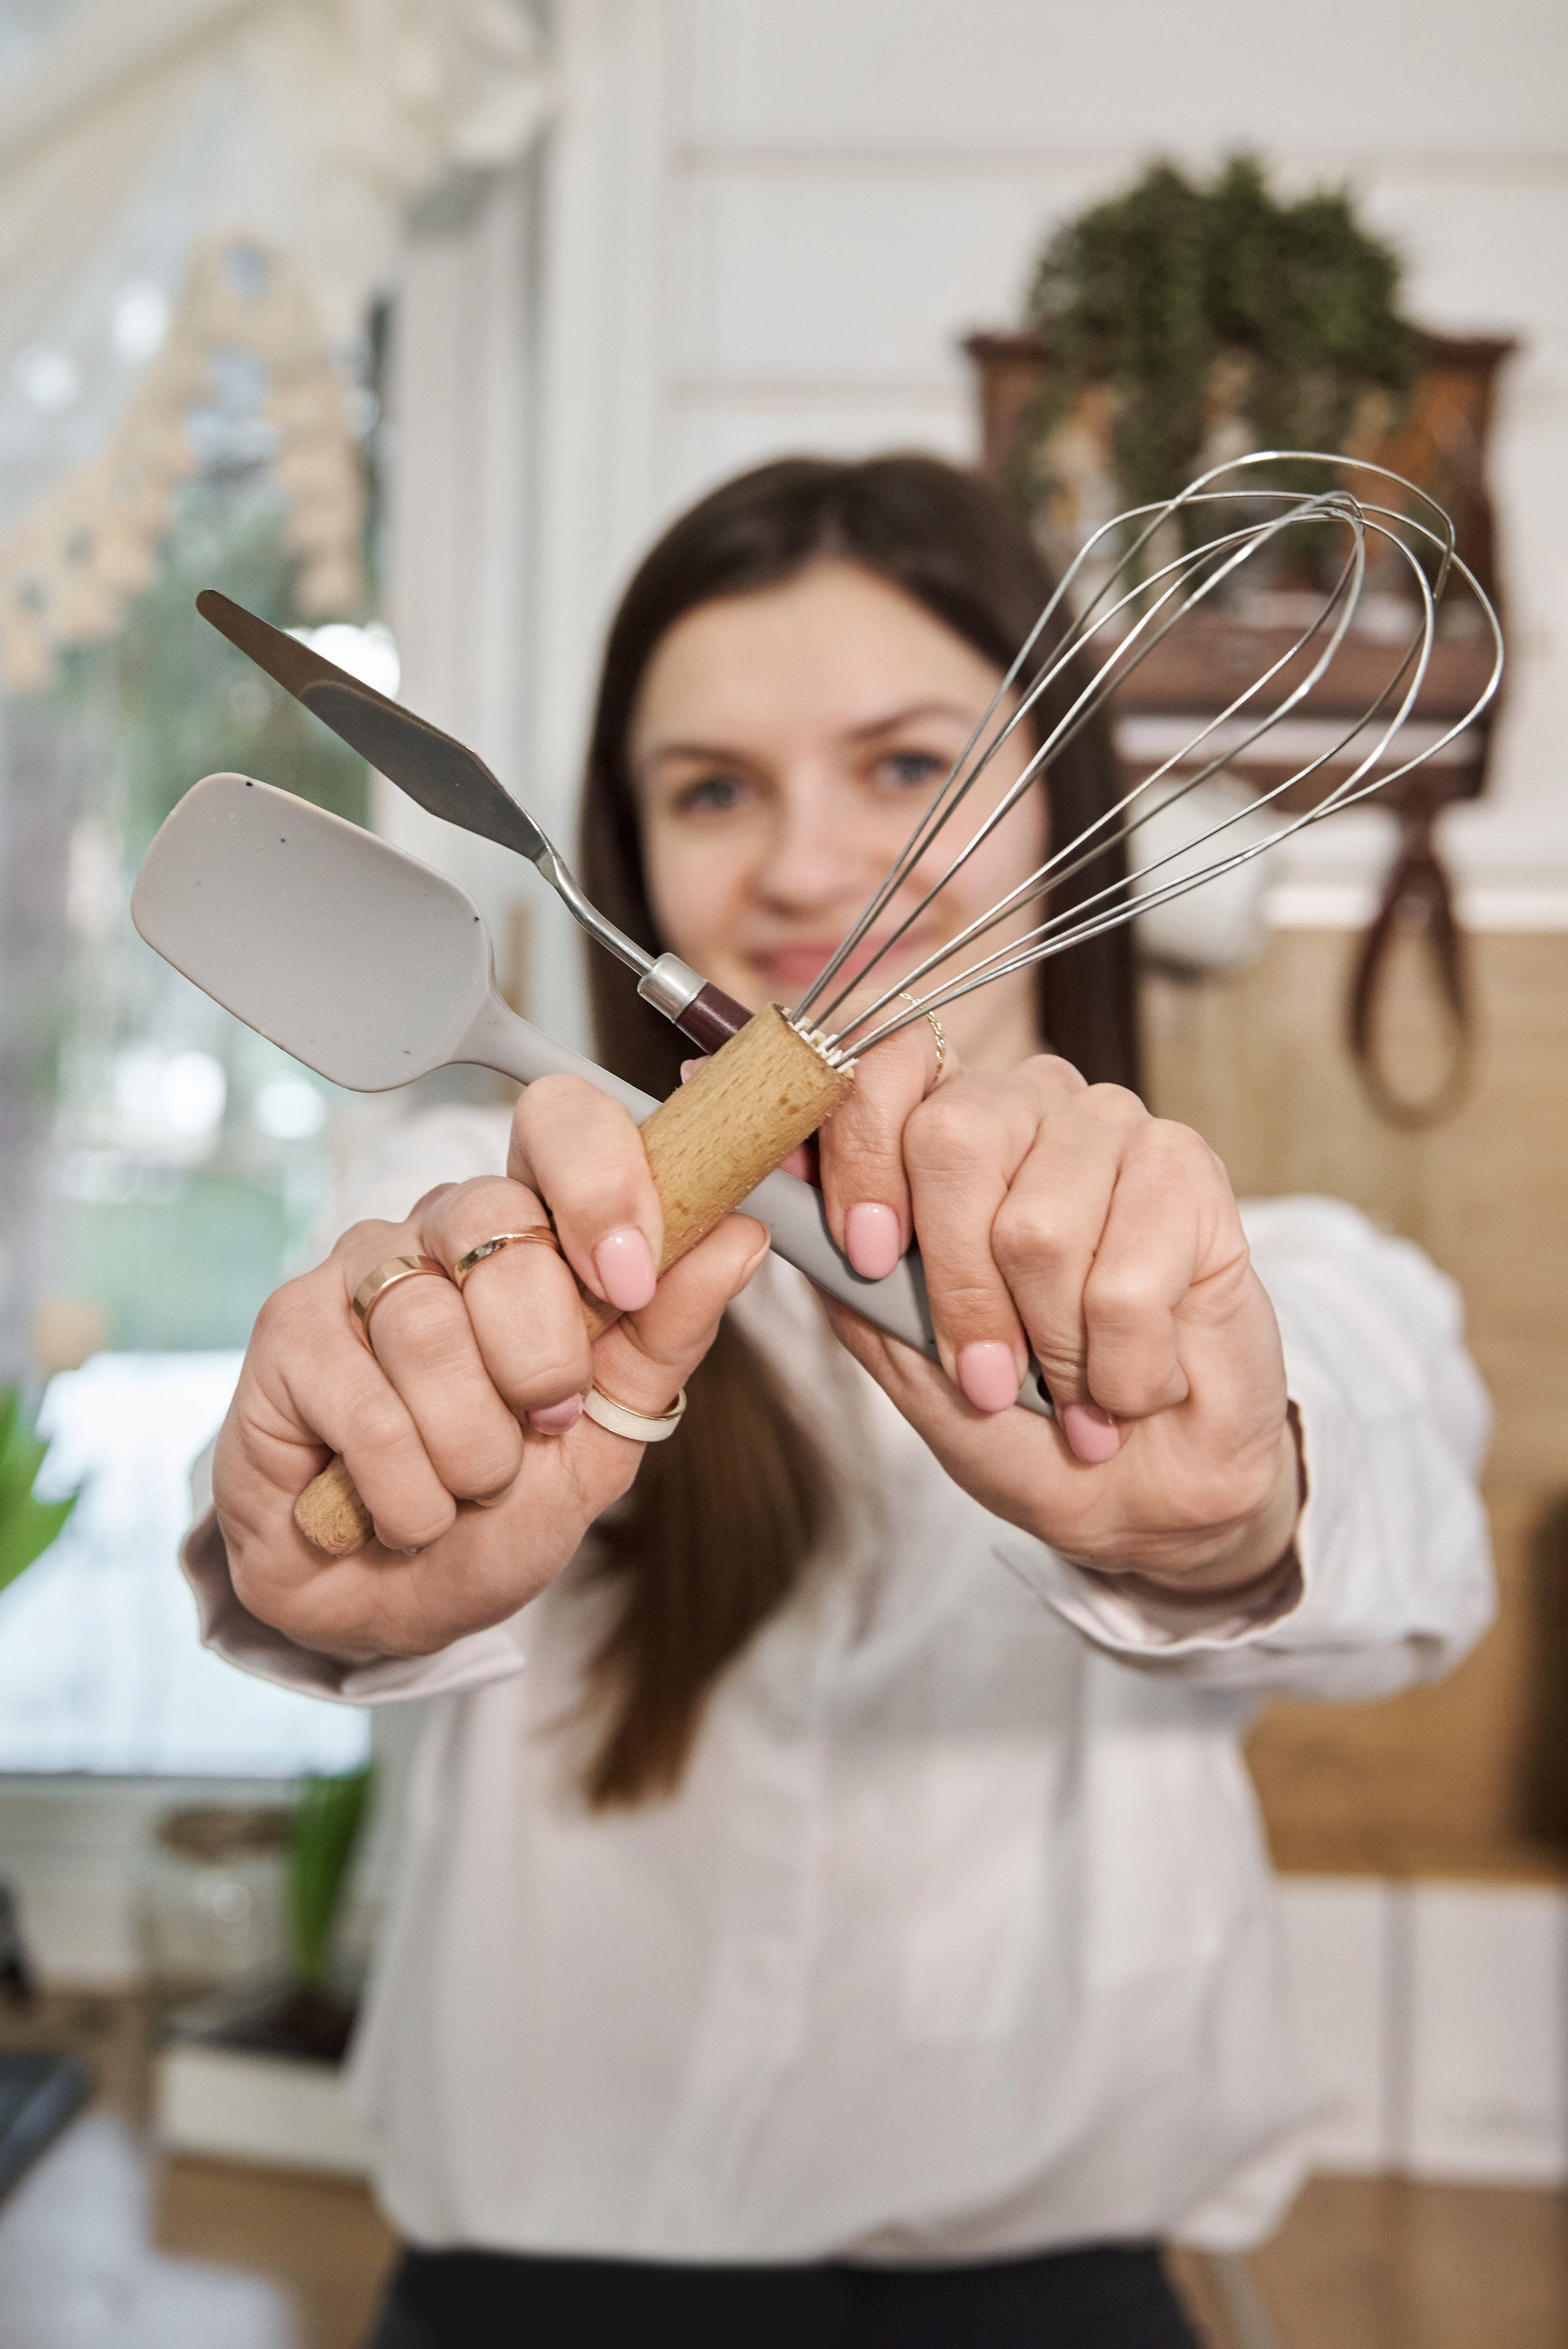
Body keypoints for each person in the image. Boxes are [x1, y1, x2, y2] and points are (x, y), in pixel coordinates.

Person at [184, 457, 1493, 2348]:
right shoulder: (464, 1231)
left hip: (1056, 2305)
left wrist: (1237, 1502)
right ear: (631, 859)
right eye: (713, 787)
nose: (806, 865)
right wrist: (320, 1547)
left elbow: (1398, 1496)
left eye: (905, 767)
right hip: (528, 2303)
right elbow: (272, 1515)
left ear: (1066, 804)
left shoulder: (1277, 1277)